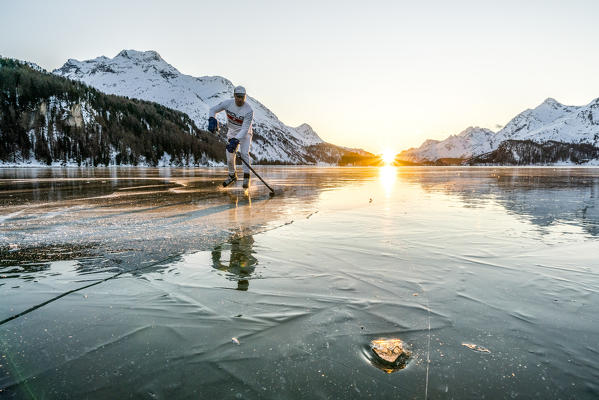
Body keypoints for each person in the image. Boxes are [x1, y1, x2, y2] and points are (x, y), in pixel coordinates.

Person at [207, 86, 254, 188]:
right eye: (238, 96)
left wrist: (236, 140)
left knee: (244, 153)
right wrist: (212, 119)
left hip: (245, 134)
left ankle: (246, 176)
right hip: (232, 132)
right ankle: (232, 175)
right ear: (234, 95)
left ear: (245, 97)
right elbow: (212, 110)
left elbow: (245, 128)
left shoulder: (249, 110)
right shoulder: (228, 103)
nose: (240, 99)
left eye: (242, 97)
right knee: (229, 156)